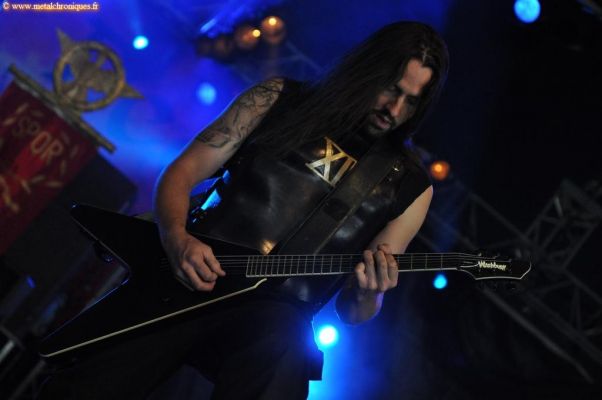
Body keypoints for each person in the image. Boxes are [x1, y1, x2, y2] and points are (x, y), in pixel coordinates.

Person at [38, 21, 449, 399]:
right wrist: (176, 238)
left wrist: (370, 292)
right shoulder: (277, 99)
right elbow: (181, 174)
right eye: (391, 89)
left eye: (411, 102)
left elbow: (354, 312)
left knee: (289, 346)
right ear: (366, 71)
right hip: (188, 276)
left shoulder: (409, 185)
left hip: (271, 318)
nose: (395, 110)